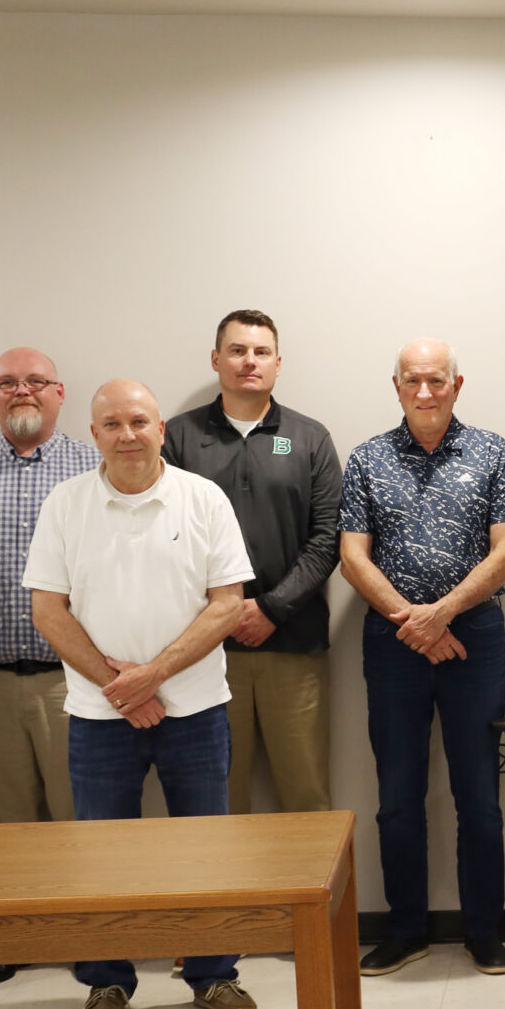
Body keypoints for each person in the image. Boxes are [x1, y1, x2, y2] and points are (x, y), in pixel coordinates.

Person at [25, 379, 257, 1009]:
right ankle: (106, 982)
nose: (127, 434)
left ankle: (214, 973)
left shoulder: (203, 499)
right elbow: (48, 609)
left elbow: (226, 603)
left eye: (139, 421)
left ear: (162, 429)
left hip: (197, 709)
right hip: (102, 717)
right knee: (101, 856)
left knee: (205, 849)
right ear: (93, 433)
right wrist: (116, 686)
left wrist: (153, 674)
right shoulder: (67, 504)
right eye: (112, 423)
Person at [340, 338, 505, 976]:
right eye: (413, 381)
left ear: (457, 384)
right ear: (395, 386)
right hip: (393, 647)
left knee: (479, 794)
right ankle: (406, 929)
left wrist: (441, 615)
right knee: (397, 796)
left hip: (474, 641)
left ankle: (483, 931)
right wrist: (415, 624)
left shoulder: (493, 452)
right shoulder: (366, 459)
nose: (425, 392)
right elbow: (352, 557)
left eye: (437, 381)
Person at [0, 348, 99, 986]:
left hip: (77, 677)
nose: (21, 391)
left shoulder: (96, 464)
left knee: (79, 814)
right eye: (8, 382)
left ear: (60, 393)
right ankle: (8, 938)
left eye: (35, 381)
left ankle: (91, 938)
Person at [164, 311, 343, 815]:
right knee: (216, 799)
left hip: (294, 646)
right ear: (216, 359)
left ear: (278, 364)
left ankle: (310, 898)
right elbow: (164, 536)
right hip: (203, 652)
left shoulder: (309, 438)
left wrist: (270, 608)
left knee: (306, 793)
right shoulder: (177, 438)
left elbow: (328, 537)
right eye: (238, 350)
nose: (249, 361)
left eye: (261, 352)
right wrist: (224, 611)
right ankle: (229, 899)